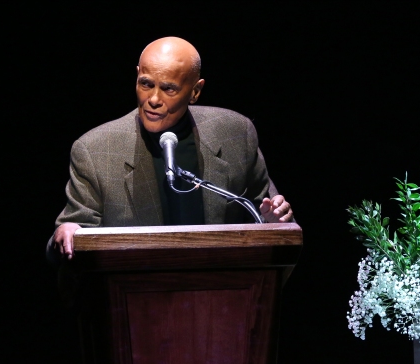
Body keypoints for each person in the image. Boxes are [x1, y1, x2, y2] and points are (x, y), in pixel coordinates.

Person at [48, 37, 293, 261]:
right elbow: (71, 236)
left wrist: (274, 220)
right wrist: (70, 232)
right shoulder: (96, 150)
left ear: (195, 91)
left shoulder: (235, 135)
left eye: (168, 89)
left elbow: (267, 215)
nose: (153, 99)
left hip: (224, 296)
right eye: (146, 84)